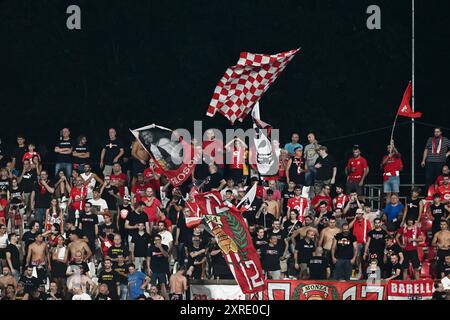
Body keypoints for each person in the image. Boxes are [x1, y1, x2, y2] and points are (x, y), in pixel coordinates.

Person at [147, 234, 170, 299]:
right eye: (156, 240)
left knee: (163, 286)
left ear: (161, 240)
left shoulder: (165, 246)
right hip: (153, 269)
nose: (157, 241)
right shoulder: (151, 248)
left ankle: (164, 298)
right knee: (152, 286)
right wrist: (148, 268)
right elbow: (148, 258)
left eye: (158, 239)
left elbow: (166, 255)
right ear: (154, 241)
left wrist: (160, 247)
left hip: (162, 270)